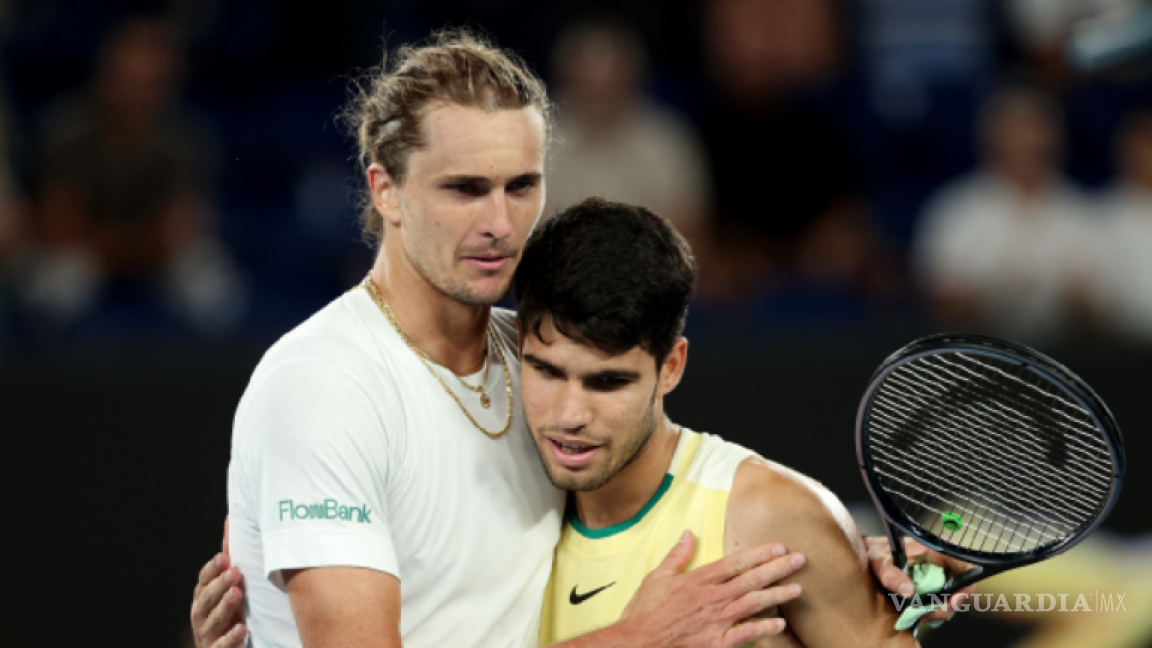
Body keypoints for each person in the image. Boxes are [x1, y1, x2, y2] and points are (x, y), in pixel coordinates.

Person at [191, 29, 963, 648]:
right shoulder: (324, 385)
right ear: (383, 189)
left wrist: (833, 558)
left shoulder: (528, 351)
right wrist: (639, 639)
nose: (499, 223)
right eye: (464, 189)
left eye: (521, 186)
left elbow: (683, 493)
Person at [510, 198, 971, 646]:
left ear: (671, 366)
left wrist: (839, 558)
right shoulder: (498, 503)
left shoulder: (769, 516)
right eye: (546, 371)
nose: (570, 416)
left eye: (607, 382)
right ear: (517, 344)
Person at [912, 84, 1093, 344]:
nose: (1026, 143)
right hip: (975, 356)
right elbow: (942, 300)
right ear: (990, 139)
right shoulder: (954, 208)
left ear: (1055, 139)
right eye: (1015, 131)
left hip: (1069, 358)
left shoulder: (1080, 209)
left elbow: (1094, 306)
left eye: (1035, 129)